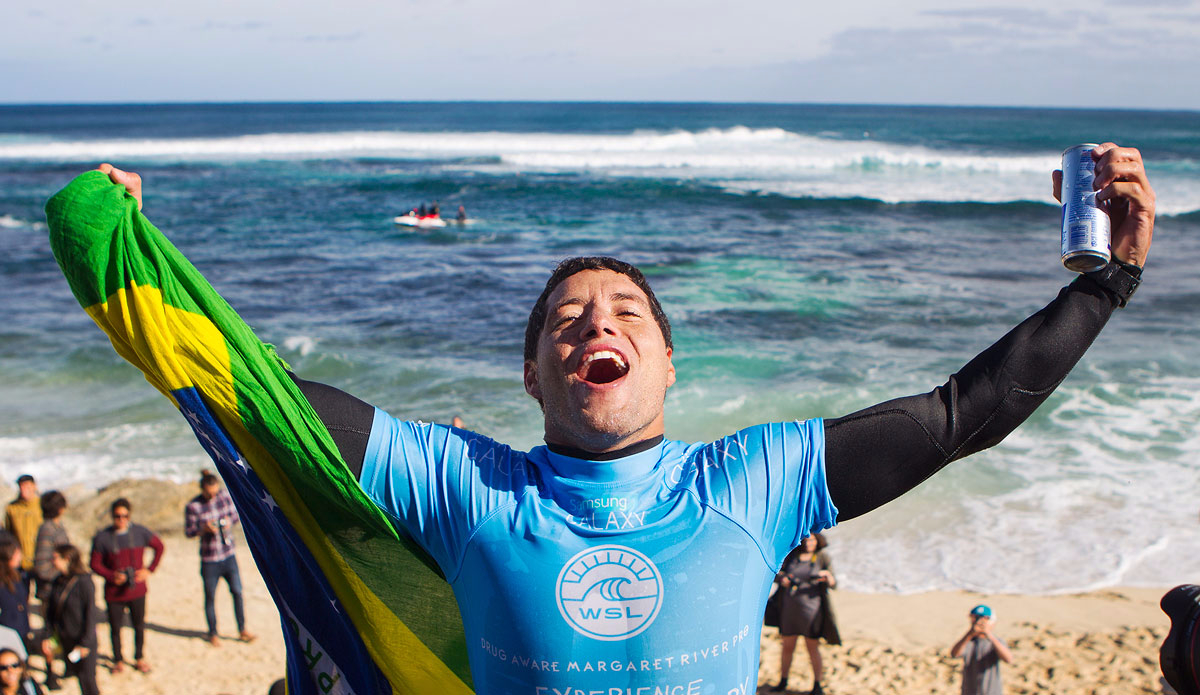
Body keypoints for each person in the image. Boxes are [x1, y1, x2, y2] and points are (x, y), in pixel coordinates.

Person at [88, 147, 1154, 693]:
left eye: (627, 311)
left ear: (668, 363)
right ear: (534, 376)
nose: (597, 322)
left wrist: (1104, 287)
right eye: (567, 319)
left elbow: (960, 416)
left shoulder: (754, 479)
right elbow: (257, 394)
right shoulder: (465, 484)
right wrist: (129, 246)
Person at [88, 499, 162, 674]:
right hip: (114, 592)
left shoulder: (140, 532)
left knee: (139, 626)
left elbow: (159, 547)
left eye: (124, 516)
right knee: (115, 628)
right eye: (117, 516)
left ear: (129, 515)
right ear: (112, 516)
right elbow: (94, 563)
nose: (121, 519)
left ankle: (139, 658)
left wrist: (149, 570)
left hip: (137, 590)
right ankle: (118, 660)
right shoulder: (103, 538)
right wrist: (111, 575)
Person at [183, 471, 254, 647]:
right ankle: (213, 632)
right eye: (209, 493)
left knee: (237, 592)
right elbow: (189, 532)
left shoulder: (224, 497)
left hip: (229, 555)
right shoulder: (193, 506)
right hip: (210, 559)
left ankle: (242, 629)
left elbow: (237, 516)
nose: (212, 496)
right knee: (210, 597)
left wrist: (229, 522)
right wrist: (203, 529)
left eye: (214, 492)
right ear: (202, 490)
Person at [771, 533, 838, 694]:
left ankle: (817, 685)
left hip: (812, 610)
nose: (809, 543)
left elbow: (833, 583)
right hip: (789, 610)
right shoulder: (791, 555)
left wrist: (827, 576)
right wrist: (782, 579)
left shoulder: (822, 557)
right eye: (806, 540)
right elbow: (775, 574)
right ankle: (783, 681)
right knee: (787, 647)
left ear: (818, 541)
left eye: (812, 540)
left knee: (812, 648)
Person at [43, 545, 98, 695]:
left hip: (83, 641)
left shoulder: (85, 582)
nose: (52, 561)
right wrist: (47, 635)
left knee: (87, 680)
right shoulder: (57, 581)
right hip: (65, 638)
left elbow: (91, 614)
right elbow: (50, 612)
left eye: (55, 558)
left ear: (67, 559)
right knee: (76, 675)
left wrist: (85, 643)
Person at [950, 604, 1013, 695]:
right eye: (975, 618)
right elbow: (954, 654)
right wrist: (970, 633)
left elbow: (1008, 659)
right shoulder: (969, 641)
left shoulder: (995, 642)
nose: (979, 622)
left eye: (985, 619)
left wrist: (988, 634)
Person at [33, 492, 69, 604]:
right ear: (60, 509)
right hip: (51, 591)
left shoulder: (57, 526)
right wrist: (62, 572)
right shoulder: (47, 529)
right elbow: (42, 567)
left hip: (59, 588)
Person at [0, 542, 33, 657]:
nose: (20, 557)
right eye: (17, 554)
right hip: (8, 629)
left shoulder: (18, 575)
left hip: (22, 627)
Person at [4, 478, 41, 579]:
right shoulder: (12, 508)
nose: (24, 490)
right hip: (21, 561)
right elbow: (8, 534)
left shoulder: (42, 505)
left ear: (34, 486)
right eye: (22, 487)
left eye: (27, 487)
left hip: (41, 559)